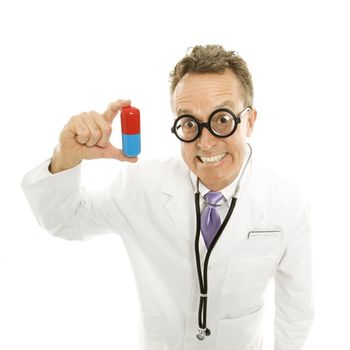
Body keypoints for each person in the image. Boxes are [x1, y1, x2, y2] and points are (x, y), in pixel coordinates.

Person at [21, 45, 314, 350]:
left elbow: (297, 309)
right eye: (189, 123)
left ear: (250, 121)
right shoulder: (140, 186)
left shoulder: (287, 203)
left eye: (223, 119)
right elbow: (64, 222)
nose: (206, 141)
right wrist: (66, 156)